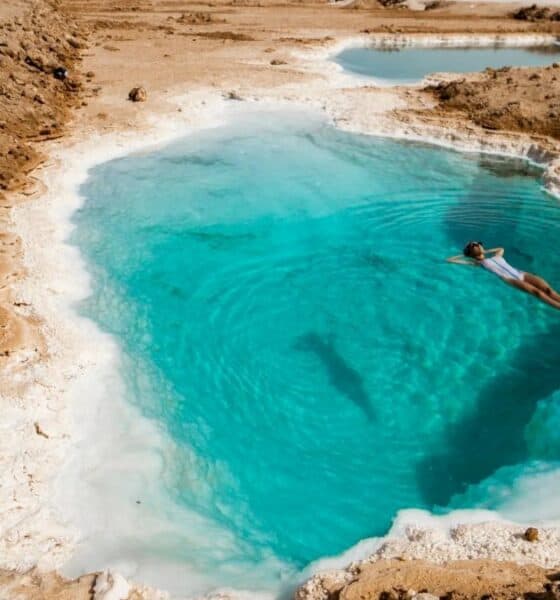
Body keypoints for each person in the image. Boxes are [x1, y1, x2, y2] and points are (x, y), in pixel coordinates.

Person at [446, 241, 560, 310]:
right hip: (509, 279)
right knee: (538, 293)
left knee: (548, 290)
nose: (477, 245)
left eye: (477, 244)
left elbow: (501, 248)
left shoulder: (496, 255)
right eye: (474, 245)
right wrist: (465, 254)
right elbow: (450, 260)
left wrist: (485, 251)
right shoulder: (477, 264)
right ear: (471, 253)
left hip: (521, 273)